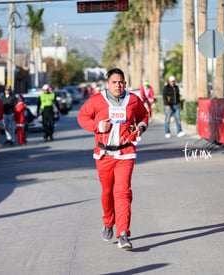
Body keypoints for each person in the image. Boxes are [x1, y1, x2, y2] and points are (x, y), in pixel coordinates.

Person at [77, 68, 149, 249]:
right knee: (107, 193)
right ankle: (108, 221)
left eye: (121, 82)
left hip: (126, 153)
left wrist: (140, 127)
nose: (118, 85)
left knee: (123, 192)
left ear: (125, 83)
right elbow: (82, 117)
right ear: (108, 84)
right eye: (114, 82)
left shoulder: (133, 100)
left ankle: (123, 233)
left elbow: (144, 115)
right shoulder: (96, 100)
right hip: (104, 155)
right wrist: (97, 125)